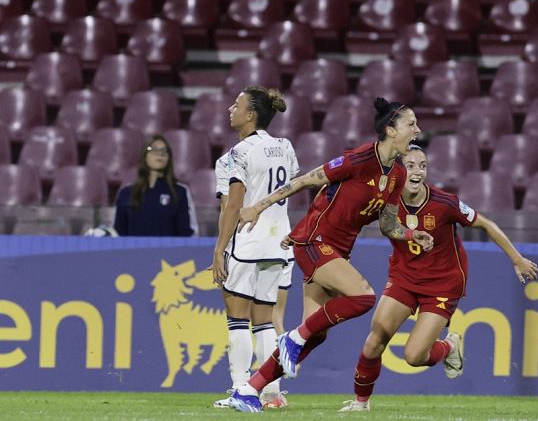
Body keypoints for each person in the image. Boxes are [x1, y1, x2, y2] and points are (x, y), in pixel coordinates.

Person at [219, 97, 434, 413]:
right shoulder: (360, 158)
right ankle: (291, 338)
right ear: (390, 129)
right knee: (362, 297)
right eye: (410, 124)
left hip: (336, 251)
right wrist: (257, 206)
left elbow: (388, 224)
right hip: (314, 242)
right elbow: (307, 180)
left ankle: (249, 390)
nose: (417, 130)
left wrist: (411, 233)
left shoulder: (398, 174)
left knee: (315, 335)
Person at [338, 145, 538, 412]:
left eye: (422, 166)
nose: (417, 171)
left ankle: (447, 347)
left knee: (413, 356)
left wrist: (517, 258)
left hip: (442, 285)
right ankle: (361, 404)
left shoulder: (445, 203)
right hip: (403, 277)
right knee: (375, 340)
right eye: (411, 165)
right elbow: (349, 221)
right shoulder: (385, 201)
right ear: (399, 169)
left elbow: (486, 224)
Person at [210, 87, 296, 410]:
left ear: (250, 115)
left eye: (237, 104)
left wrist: (219, 250)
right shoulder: (285, 147)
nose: (230, 108)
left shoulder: (238, 153)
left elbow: (232, 207)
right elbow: (291, 186)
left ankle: (239, 389)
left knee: (238, 320)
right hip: (278, 243)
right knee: (264, 320)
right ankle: (271, 392)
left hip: (247, 242)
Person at [113, 134, 197, 237]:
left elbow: (188, 234)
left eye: (164, 151)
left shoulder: (180, 192)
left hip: (168, 253)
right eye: (153, 149)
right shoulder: (126, 193)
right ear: (144, 156)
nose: (160, 153)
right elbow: (117, 234)